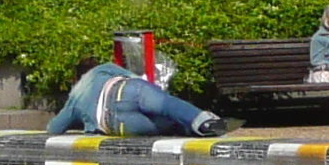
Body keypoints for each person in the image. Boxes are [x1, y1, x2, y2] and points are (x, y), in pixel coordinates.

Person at [45, 53, 225, 138]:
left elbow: (54, 129)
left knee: (165, 127)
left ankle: (188, 130)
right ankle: (203, 121)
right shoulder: (102, 69)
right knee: (167, 105)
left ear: (76, 78)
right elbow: (133, 78)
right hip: (125, 89)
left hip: (114, 123)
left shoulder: (75, 98)